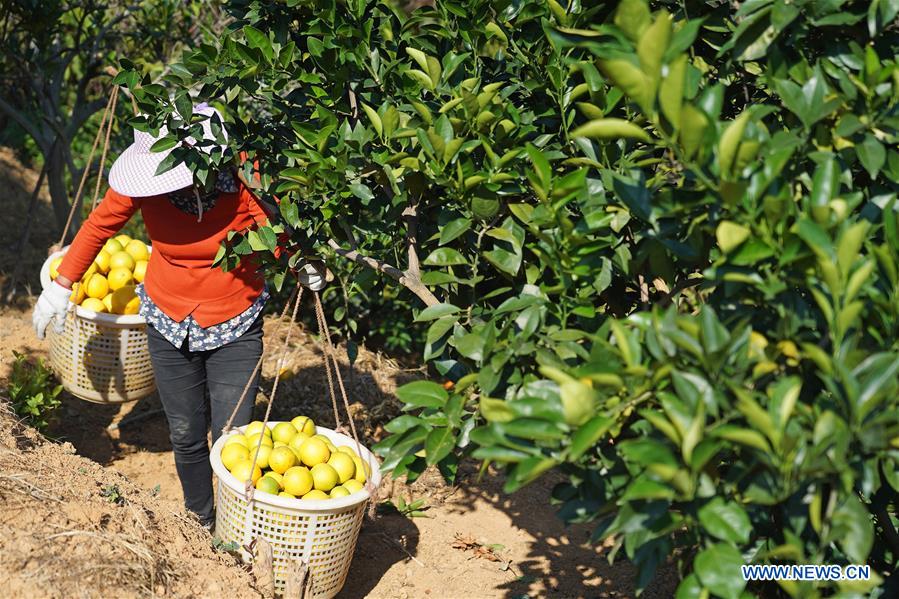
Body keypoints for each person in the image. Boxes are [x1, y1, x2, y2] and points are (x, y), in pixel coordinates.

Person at [31, 104, 324, 528]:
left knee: (234, 441)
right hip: (168, 318)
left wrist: (302, 263)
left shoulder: (245, 177)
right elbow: (100, 225)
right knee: (186, 434)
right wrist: (61, 286)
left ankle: (234, 527)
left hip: (235, 320)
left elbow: (277, 230)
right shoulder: (147, 182)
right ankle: (200, 522)